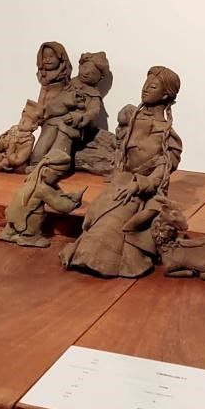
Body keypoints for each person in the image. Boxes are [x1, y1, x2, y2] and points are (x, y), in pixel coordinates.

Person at [60, 66, 183, 278]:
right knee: (101, 210)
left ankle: (102, 261)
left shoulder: (167, 134)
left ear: (165, 95)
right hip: (122, 182)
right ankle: (83, 255)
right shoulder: (133, 121)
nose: (145, 88)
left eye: (153, 86)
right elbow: (121, 157)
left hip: (144, 191)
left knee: (116, 219)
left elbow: (162, 171)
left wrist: (139, 185)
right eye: (145, 83)